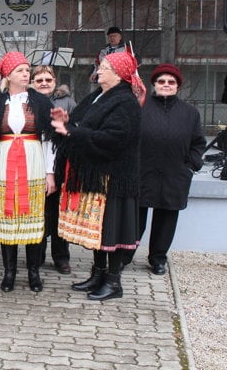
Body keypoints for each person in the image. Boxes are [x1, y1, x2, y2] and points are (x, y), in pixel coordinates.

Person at [52, 51, 145, 301]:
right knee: (99, 230)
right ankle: (99, 273)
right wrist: (66, 125)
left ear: (118, 74)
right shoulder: (99, 96)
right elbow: (79, 123)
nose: (99, 70)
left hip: (114, 176)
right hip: (97, 172)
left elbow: (114, 138)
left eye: (104, 67)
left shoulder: (125, 101)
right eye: (101, 66)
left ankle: (114, 282)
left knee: (112, 230)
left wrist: (74, 132)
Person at [0, 52, 56, 293]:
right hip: (3, 162)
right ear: (8, 75)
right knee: (6, 218)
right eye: (21, 70)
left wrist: (49, 173)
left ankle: (34, 272)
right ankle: (9, 272)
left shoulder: (42, 102)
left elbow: (48, 140)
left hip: (33, 161)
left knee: (34, 216)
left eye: (27, 70)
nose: (26, 74)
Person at [123, 64, 206, 275]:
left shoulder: (190, 113)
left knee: (166, 219)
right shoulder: (140, 106)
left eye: (171, 82)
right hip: (142, 172)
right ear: (154, 84)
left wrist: (190, 166)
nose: (166, 85)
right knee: (135, 217)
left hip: (174, 174)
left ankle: (158, 258)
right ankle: (124, 255)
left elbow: (198, 143)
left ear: (178, 86)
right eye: (161, 81)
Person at [31, 65, 75, 275]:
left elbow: (75, 130)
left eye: (47, 79)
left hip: (60, 164)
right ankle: (36, 255)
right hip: (33, 165)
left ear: (54, 81)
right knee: (38, 212)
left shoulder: (67, 102)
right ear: (32, 82)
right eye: (39, 80)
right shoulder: (27, 101)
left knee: (58, 213)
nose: (43, 83)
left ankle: (61, 258)